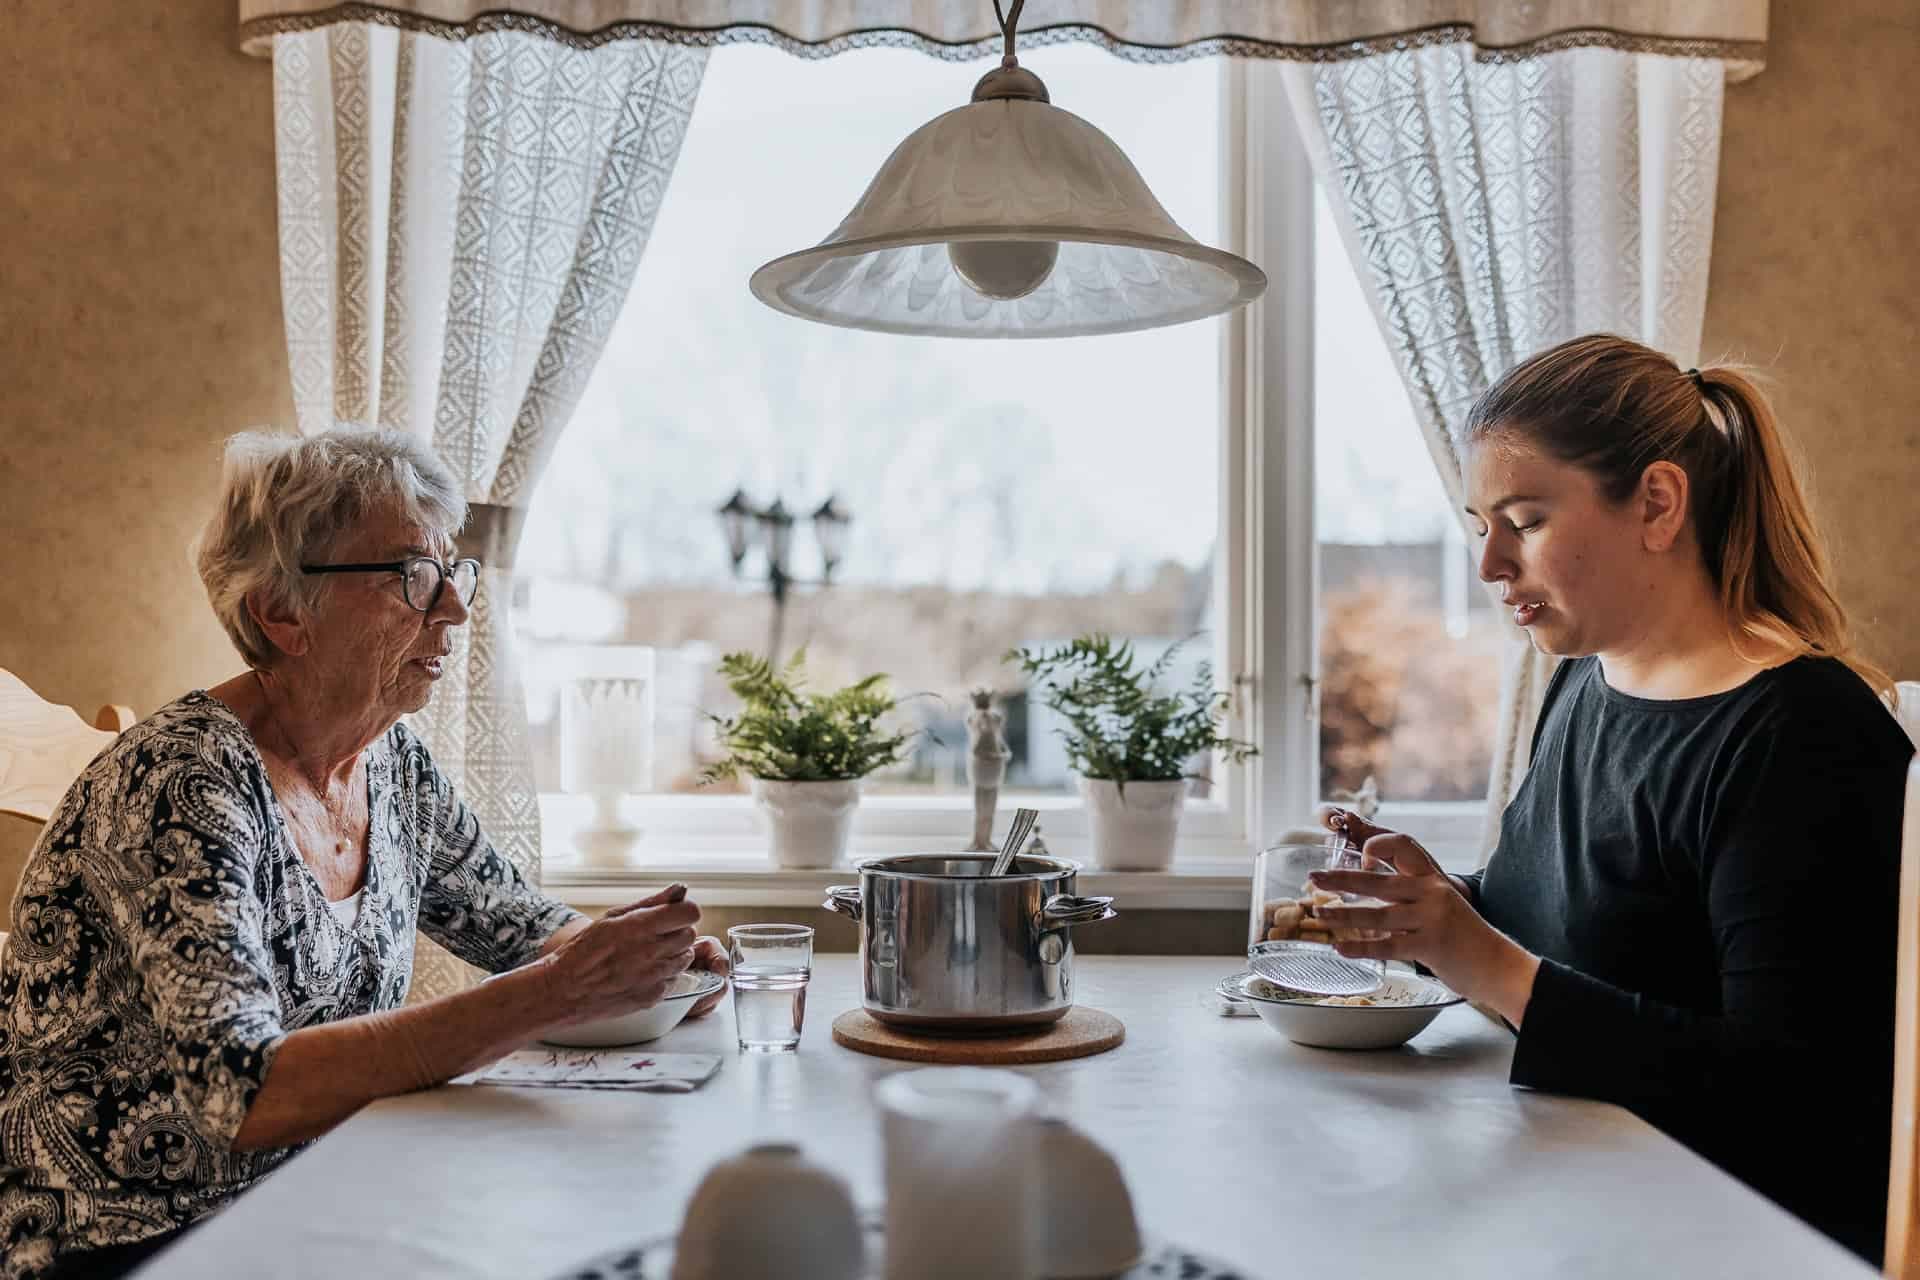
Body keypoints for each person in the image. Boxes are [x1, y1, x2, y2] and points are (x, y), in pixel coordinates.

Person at [0, 428, 730, 1279]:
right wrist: (559, 994)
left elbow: (524, 929)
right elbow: (244, 1090)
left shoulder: (391, 765)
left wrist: (645, 964)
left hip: (319, 1194)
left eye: (452, 572)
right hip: (134, 1244)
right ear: (282, 612)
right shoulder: (184, 785)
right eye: (411, 577)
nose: (454, 607)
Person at [1307, 335, 1913, 1262]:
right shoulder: (1584, 686)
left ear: (1659, 505)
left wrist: (1486, 962)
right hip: (1583, 1195)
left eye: (1527, 519)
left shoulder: (1803, 735)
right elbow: (1581, 937)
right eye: (1482, 527)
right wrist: (1436, 911)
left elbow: (1795, 1100)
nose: (1491, 566)